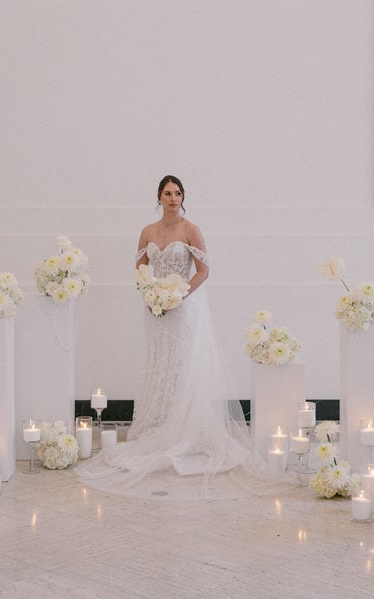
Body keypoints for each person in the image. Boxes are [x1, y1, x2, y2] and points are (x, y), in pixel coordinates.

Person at [76, 176, 284, 499]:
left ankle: (184, 428)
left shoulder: (191, 230)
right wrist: (150, 296)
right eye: (167, 193)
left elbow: (203, 271)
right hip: (154, 312)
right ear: (158, 197)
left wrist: (178, 295)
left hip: (183, 309)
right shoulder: (148, 231)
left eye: (178, 193)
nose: (173, 198)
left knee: (182, 365)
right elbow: (139, 270)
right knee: (159, 363)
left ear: (183, 197)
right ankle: (159, 423)